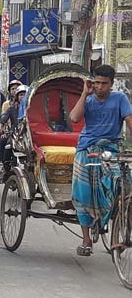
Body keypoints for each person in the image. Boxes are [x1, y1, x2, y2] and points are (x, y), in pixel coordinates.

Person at [70, 64, 132, 257]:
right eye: (96, 83)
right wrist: (84, 94)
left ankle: (120, 227)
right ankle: (86, 240)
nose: (99, 87)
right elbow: (74, 117)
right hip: (86, 149)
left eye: (104, 83)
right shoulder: (88, 100)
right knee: (83, 193)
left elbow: (129, 121)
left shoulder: (120, 99)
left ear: (111, 84)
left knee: (124, 186)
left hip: (111, 148)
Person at [0, 85, 28, 184]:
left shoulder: (34, 108)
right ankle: (5, 168)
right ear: (17, 97)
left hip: (30, 136)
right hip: (16, 135)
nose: (23, 97)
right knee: (7, 145)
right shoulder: (12, 109)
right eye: (21, 95)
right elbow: (3, 119)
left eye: (25, 95)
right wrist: (0, 128)